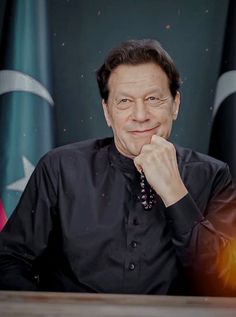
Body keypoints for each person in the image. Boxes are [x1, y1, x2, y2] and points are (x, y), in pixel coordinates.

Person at [0, 39, 236, 296]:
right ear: (107, 112)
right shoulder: (59, 169)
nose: (140, 115)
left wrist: (174, 192)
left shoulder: (214, 176)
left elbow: (224, 281)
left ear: (175, 104)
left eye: (153, 98)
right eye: (124, 101)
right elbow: (9, 260)